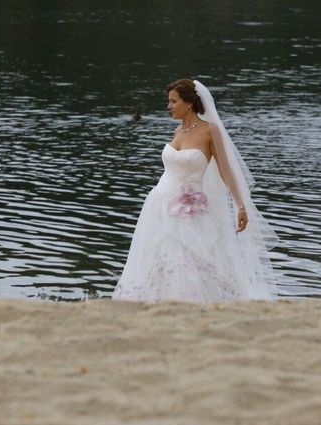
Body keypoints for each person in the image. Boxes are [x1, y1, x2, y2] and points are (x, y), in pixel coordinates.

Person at [111, 79, 281, 302]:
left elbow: (226, 172)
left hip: (191, 209)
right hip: (159, 203)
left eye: (173, 101)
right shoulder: (177, 131)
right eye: (168, 101)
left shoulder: (210, 131)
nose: (169, 106)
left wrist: (241, 205)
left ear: (189, 103)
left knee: (190, 258)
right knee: (156, 257)